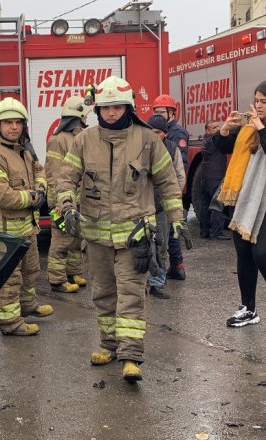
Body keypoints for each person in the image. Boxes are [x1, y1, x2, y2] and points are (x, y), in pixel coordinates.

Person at [56, 76, 187, 382]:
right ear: (97, 109)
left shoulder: (147, 140)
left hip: (135, 236)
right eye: (105, 108)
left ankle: (131, 356)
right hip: (96, 235)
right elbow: (66, 178)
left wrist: (177, 217)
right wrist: (67, 205)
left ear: (127, 107)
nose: (111, 113)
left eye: (116, 107)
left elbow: (167, 182)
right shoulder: (83, 140)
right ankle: (109, 345)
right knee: (104, 293)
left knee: (131, 294)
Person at [214, 79, 266, 328]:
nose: (259, 106)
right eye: (257, 101)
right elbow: (222, 148)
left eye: (264, 102)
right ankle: (248, 308)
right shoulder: (250, 128)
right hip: (246, 196)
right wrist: (225, 129)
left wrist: (262, 129)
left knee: (263, 253)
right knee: (244, 253)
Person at [0, 97, 53, 336]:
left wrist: (41, 187)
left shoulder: (23, 151)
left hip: (25, 230)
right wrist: (34, 198)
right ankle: (10, 323)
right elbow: (3, 196)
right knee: (9, 280)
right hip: (4, 234)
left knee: (31, 271)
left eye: (18, 122)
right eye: (7, 122)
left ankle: (27, 307)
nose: (13, 127)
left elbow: (40, 171)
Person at [45, 96, 91, 294]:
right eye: (85, 116)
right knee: (61, 241)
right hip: (62, 201)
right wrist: (58, 202)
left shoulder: (80, 138)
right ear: (77, 117)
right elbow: (53, 173)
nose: (87, 119)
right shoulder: (58, 141)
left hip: (79, 199)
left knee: (75, 239)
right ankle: (57, 280)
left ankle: (73, 273)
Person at [145, 114, 187, 300]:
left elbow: (179, 176)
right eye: (151, 131)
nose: (155, 135)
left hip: (161, 206)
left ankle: (157, 283)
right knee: (141, 247)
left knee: (160, 246)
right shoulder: (140, 149)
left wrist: (172, 200)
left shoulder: (172, 149)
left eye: (159, 132)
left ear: (165, 133)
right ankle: (141, 283)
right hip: (142, 207)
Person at [153, 94, 190, 280]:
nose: (158, 115)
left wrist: (173, 195)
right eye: (156, 112)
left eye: (161, 112)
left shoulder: (176, 133)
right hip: (161, 195)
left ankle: (177, 265)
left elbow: (179, 168)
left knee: (171, 232)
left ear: (171, 112)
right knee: (165, 232)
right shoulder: (158, 130)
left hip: (170, 193)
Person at [199, 120, 230, 240]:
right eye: (214, 127)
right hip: (216, 176)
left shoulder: (205, 140)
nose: (218, 129)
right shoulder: (214, 140)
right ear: (207, 131)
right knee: (218, 204)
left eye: (218, 126)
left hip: (205, 177)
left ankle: (204, 231)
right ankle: (217, 232)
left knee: (205, 204)